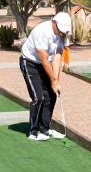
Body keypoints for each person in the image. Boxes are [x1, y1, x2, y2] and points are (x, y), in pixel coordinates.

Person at [19, 11, 71, 141]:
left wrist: (56, 81)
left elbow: (58, 57)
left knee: (51, 95)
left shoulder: (62, 35)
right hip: (30, 62)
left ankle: (45, 128)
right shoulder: (42, 31)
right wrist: (53, 80)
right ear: (54, 22)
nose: (61, 33)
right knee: (38, 98)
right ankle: (33, 132)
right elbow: (44, 59)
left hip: (44, 63)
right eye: (60, 30)